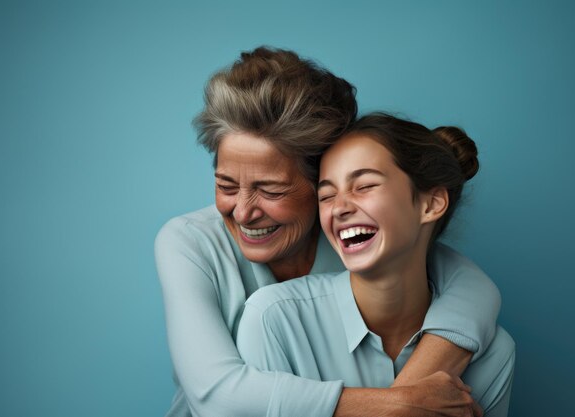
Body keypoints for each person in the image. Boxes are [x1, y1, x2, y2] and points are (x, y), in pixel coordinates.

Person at [155, 47, 501, 417]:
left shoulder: (355, 238)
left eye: (271, 191)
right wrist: (398, 404)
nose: (242, 212)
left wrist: (435, 359)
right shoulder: (189, 242)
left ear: (322, 181)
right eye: (225, 186)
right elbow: (218, 398)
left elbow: (471, 287)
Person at [237, 113, 516, 417]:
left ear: (432, 203)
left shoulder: (491, 353)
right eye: (327, 195)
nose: (340, 207)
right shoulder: (273, 320)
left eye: (365, 186)